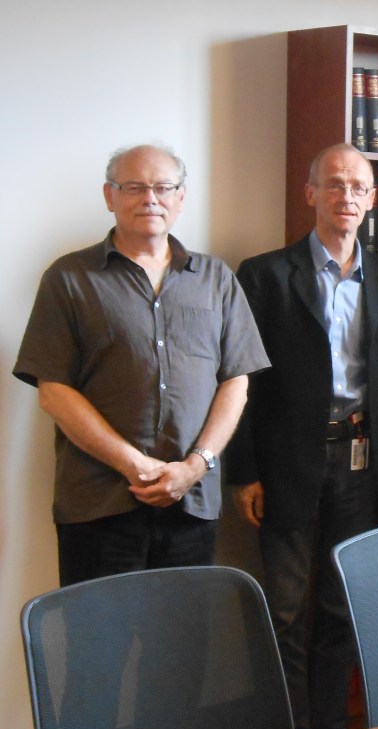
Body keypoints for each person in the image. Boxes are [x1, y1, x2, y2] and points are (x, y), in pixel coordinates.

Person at [13, 144, 269, 586]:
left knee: (182, 645)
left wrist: (195, 465)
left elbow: (236, 381)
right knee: (97, 646)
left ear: (181, 197)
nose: (150, 198)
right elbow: (54, 390)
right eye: (134, 187)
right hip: (99, 504)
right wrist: (134, 464)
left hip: (191, 504)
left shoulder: (216, 279)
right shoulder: (70, 278)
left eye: (163, 187)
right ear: (109, 196)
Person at [224, 143, 378, 729]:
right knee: (285, 610)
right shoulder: (264, 275)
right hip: (287, 465)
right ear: (310, 194)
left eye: (359, 187)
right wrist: (243, 471)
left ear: (373, 200)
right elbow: (241, 379)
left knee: (340, 607)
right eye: (334, 184)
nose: (347, 196)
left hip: (360, 462)